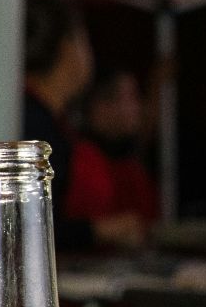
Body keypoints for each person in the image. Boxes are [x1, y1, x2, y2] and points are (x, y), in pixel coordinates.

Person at [18, 0, 144, 251]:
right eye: (85, 42)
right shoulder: (32, 123)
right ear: (68, 48)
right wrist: (100, 230)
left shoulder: (53, 121)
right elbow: (26, 226)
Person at [66, 69, 159, 233]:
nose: (138, 107)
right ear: (102, 106)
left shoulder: (129, 160)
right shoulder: (84, 160)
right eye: (131, 97)